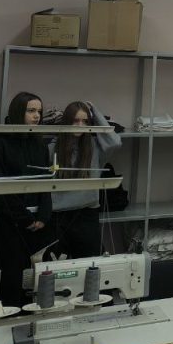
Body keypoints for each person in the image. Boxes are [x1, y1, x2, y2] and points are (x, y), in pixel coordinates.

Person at [0, 92, 54, 306]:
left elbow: (46, 182)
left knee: (35, 282)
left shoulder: (40, 144)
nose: (36, 116)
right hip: (9, 223)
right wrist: (24, 218)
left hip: (39, 223)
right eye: (31, 111)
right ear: (18, 112)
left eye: (39, 111)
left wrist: (43, 215)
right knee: (9, 283)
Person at [48, 100, 121, 259]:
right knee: (57, 266)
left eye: (85, 121)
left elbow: (115, 142)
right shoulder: (53, 148)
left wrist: (95, 113)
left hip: (87, 213)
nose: (80, 125)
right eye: (76, 120)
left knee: (90, 264)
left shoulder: (95, 147)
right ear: (67, 122)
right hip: (58, 215)